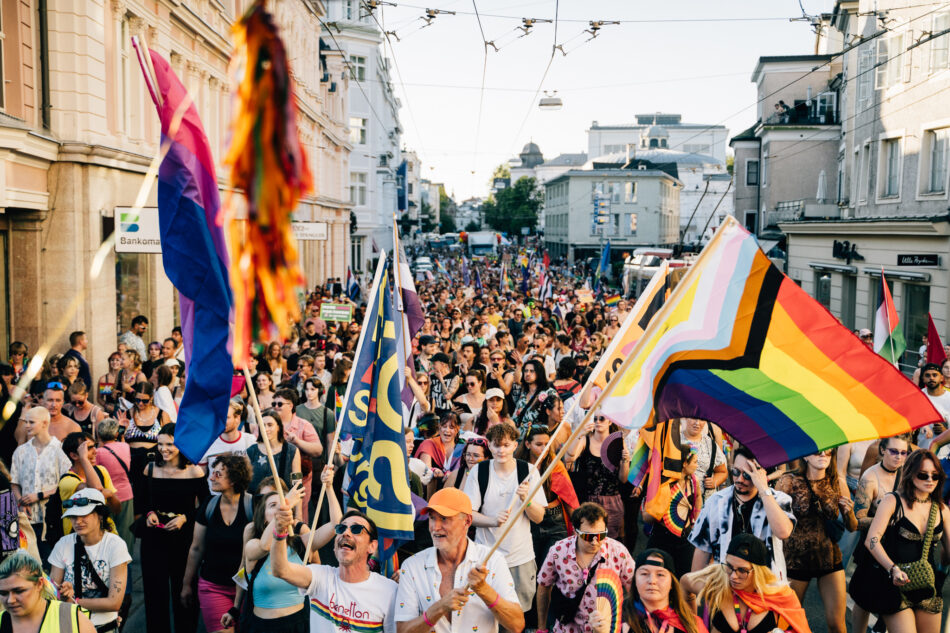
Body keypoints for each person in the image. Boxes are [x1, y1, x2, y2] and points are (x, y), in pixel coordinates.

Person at [395, 487, 525, 633]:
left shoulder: (493, 561)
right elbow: (402, 630)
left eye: (444, 519)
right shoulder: (412, 566)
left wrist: (484, 590)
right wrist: (439, 608)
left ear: (467, 521)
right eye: (432, 518)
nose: (435, 527)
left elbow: (517, 625)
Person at [853, 449, 950, 632]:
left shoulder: (942, 510)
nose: (930, 479)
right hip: (894, 585)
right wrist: (892, 568)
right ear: (911, 474)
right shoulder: (893, 501)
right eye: (923, 474)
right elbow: (872, 540)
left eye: (935, 475)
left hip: (926, 584)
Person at [270, 503, 399, 633]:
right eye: (341, 528)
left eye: (356, 530)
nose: (346, 533)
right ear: (335, 546)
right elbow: (281, 570)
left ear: (372, 546)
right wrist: (280, 531)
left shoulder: (389, 591)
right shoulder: (320, 576)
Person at [463, 423, 546, 613]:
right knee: (486, 613)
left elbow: (539, 517)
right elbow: (469, 515)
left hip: (520, 558)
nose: (502, 450)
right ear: (489, 446)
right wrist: (493, 520)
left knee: (518, 613)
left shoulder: (529, 471)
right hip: (486, 557)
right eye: (496, 445)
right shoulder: (479, 471)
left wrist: (527, 501)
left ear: (515, 445)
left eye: (506, 445)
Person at [774, 450, 856, 633]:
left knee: (837, 624)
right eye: (818, 452)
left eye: (828, 453)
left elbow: (852, 526)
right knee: (788, 623)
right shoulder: (788, 481)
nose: (823, 456)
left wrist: (849, 512)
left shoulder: (837, 482)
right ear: (805, 455)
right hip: (796, 561)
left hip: (829, 558)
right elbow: (773, 520)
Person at [139, 423, 208, 633]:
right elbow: (141, 501)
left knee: (184, 591)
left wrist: (185, 518)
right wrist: (149, 513)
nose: (164, 449)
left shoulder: (194, 471)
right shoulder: (149, 468)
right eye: (160, 444)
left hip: (184, 539)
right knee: (154, 592)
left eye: (170, 444)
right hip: (154, 538)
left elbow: (205, 506)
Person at [689, 446, 796, 580]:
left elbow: (783, 532)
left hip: (766, 588)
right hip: (726, 586)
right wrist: (693, 590)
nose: (739, 479)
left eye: (747, 474)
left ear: (760, 474)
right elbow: (702, 549)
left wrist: (763, 489)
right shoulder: (716, 502)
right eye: (735, 472)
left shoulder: (778, 500)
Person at [182, 454, 254, 633]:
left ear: (235, 478)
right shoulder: (208, 505)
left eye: (218, 474)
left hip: (248, 590)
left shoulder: (253, 506)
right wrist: (186, 584)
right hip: (213, 586)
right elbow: (196, 548)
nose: (211, 477)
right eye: (212, 472)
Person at [681, 534, 810, 633]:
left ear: (758, 571)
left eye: (742, 570)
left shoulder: (780, 596)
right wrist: (692, 625)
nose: (733, 576)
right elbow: (685, 582)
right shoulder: (717, 585)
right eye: (729, 566)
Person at [536, 503, 634, 633]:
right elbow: (544, 586)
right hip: (567, 628)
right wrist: (542, 628)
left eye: (600, 535)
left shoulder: (618, 552)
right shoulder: (558, 551)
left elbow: (635, 589)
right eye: (588, 536)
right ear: (576, 531)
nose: (594, 542)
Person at [849, 433, 910, 633]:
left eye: (903, 453)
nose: (898, 457)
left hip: (901, 546)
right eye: (894, 451)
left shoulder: (909, 474)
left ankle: (880, 628)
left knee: (896, 595)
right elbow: (858, 519)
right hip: (874, 545)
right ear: (883, 450)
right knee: (864, 597)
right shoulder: (870, 477)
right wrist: (884, 520)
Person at [49, 488, 132, 632]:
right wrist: (62, 593)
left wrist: (73, 601)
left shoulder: (115, 545)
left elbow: (114, 602)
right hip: (71, 624)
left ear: (100, 515)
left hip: (104, 627)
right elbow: (51, 591)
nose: (77, 521)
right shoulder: (63, 544)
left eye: (84, 515)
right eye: (73, 516)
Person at [591, 549, 708, 633]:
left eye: (660, 575)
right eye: (644, 574)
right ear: (635, 580)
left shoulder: (691, 623)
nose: (652, 581)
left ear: (672, 583)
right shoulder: (615, 618)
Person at [10, 406, 71, 557]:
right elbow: (14, 482)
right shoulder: (21, 451)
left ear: (44, 423)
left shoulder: (60, 450)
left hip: (51, 520)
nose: (27, 425)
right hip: (27, 520)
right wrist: (21, 502)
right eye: (26, 422)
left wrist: (40, 495)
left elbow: (68, 483)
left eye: (31, 422)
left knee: (51, 563)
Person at [516, 425, 579, 566]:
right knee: (532, 566)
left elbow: (569, 498)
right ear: (527, 444)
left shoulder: (555, 465)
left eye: (547, 444)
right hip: (529, 520)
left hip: (555, 521)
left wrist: (577, 526)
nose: (544, 448)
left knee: (551, 566)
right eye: (538, 444)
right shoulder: (518, 466)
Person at [565, 414, 628, 539]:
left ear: (610, 421)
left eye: (602, 419)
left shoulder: (618, 442)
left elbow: (623, 479)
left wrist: (625, 461)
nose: (598, 422)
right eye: (595, 419)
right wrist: (579, 434)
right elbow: (569, 458)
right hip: (588, 501)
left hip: (612, 501)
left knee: (609, 542)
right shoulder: (586, 439)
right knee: (589, 540)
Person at [0, 550, 96, 633]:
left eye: (19, 591)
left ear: (39, 584)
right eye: (3, 593)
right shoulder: (2, 621)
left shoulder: (74, 619)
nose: (10, 600)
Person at [274, 388, 323, 521]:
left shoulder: (303, 425)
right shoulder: (269, 424)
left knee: (299, 518)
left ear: (290, 406)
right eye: (274, 404)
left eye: (279, 404)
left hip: (300, 480)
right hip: (275, 481)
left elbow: (318, 449)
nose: (275, 407)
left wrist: (297, 441)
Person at [57, 432, 120, 535]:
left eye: (95, 446)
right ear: (74, 455)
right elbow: (96, 490)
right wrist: (84, 458)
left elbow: (117, 509)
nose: (96, 451)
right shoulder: (67, 481)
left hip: (106, 535)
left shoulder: (101, 471)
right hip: (80, 540)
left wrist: (111, 495)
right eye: (89, 448)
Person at [95, 419, 135, 552]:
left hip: (108, 497)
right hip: (126, 494)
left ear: (99, 434)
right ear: (117, 433)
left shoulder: (98, 452)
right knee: (125, 535)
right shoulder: (125, 447)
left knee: (108, 533)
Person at [247, 410, 302, 494]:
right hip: (257, 503)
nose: (266, 429)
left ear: (278, 427)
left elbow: (297, 485)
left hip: (283, 502)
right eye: (263, 425)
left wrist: (298, 507)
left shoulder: (292, 451)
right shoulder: (251, 451)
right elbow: (245, 484)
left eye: (270, 425)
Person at [201, 399, 257, 471]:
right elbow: (202, 474)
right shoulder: (207, 443)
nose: (222, 421)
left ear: (237, 418)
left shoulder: (251, 441)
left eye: (226, 417)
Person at [415, 413, 464, 493]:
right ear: (439, 427)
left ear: (457, 429)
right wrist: (434, 470)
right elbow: (425, 469)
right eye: (444, 426)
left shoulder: (462, 448)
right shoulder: (429, 443)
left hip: (455, 491)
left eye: (451, 427)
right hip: (430, 492)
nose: (447, 430)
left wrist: (452, 475)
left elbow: (464, 472)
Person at [681, 419, 727, 501]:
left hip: (705, 502)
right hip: (679, 501)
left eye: (702, 419)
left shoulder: (710, 444)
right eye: (693, 418)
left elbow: (722, 472)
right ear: (686, 417)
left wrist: (714, 481)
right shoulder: (675, 440)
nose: (697, 423)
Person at [63, 331, 93, 396]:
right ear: (80, 341)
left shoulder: (78, 355)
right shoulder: (71, 356)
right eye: (85, 339)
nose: (87, 341)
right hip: (75, 394)